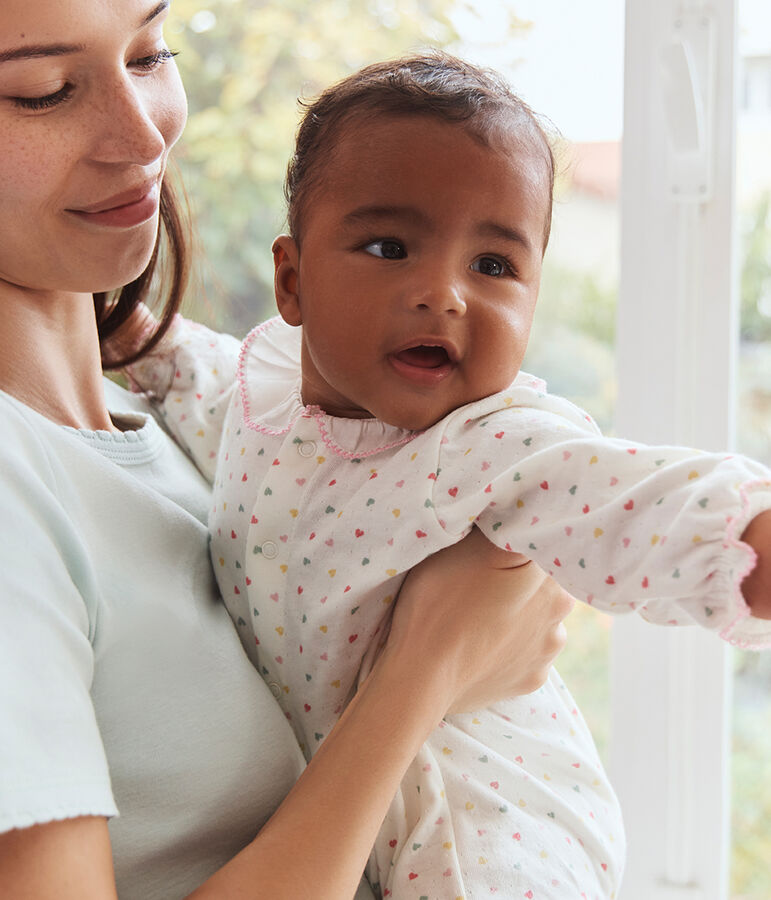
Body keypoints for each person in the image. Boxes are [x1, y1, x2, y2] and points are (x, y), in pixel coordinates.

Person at [125, 53, 771, 899]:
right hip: (349, 837)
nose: (444, 294)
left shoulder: (489, 445)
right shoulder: (262, 400)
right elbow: (186, 369)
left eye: (494, 267)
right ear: (292, 279)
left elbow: (643, 502)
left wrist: (748, 540)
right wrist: (118, 328)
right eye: (390, 247)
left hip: (489, 841)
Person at [0, 6, 578, 900]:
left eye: (151, 54)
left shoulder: (188, 422)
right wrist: (425, 670)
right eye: (43, 92)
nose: (140, 130)